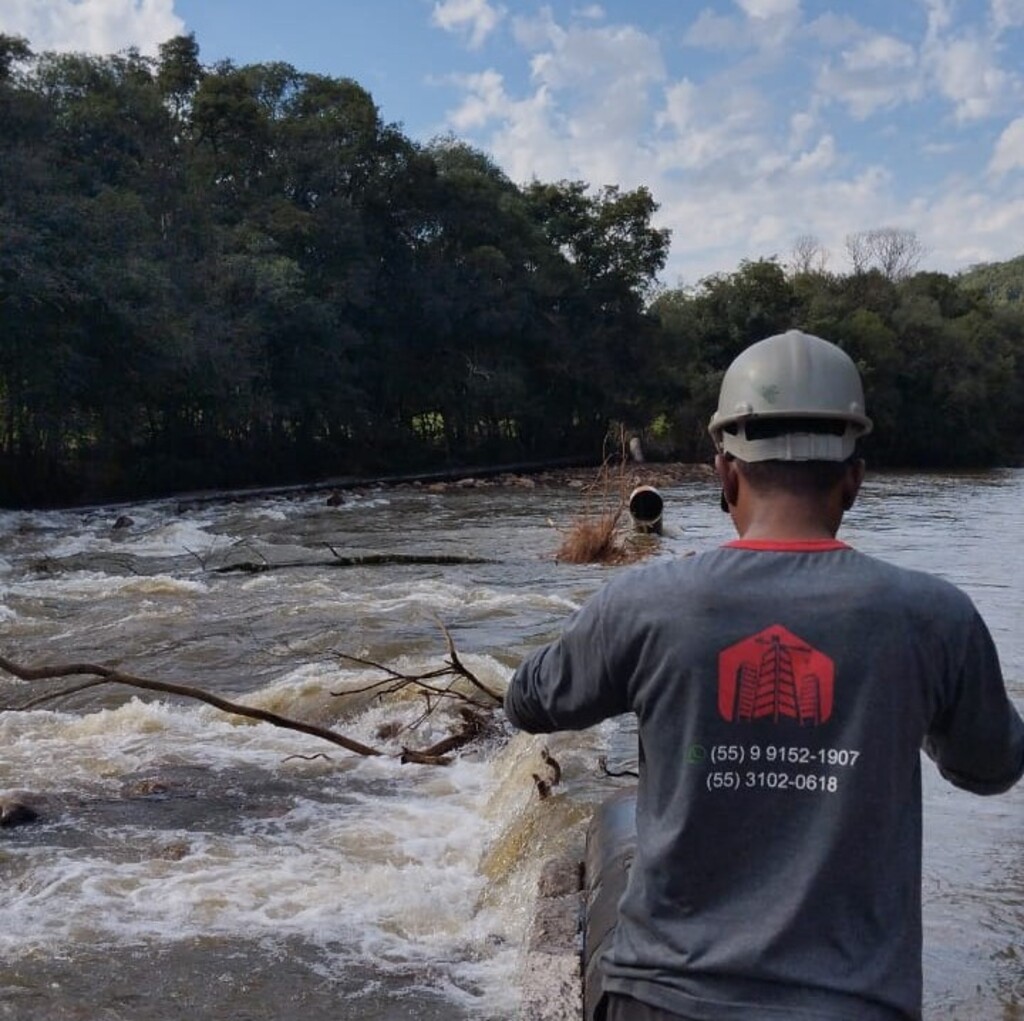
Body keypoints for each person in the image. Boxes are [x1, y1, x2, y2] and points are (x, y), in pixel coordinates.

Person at [504, 329, 1024, 1021]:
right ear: (854, 478)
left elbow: (528, 701)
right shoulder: (935, 617)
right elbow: (991, 766)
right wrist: (906, 702)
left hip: (661, 998)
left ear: (725, 474)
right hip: (854, 1005)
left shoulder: (646, 603)